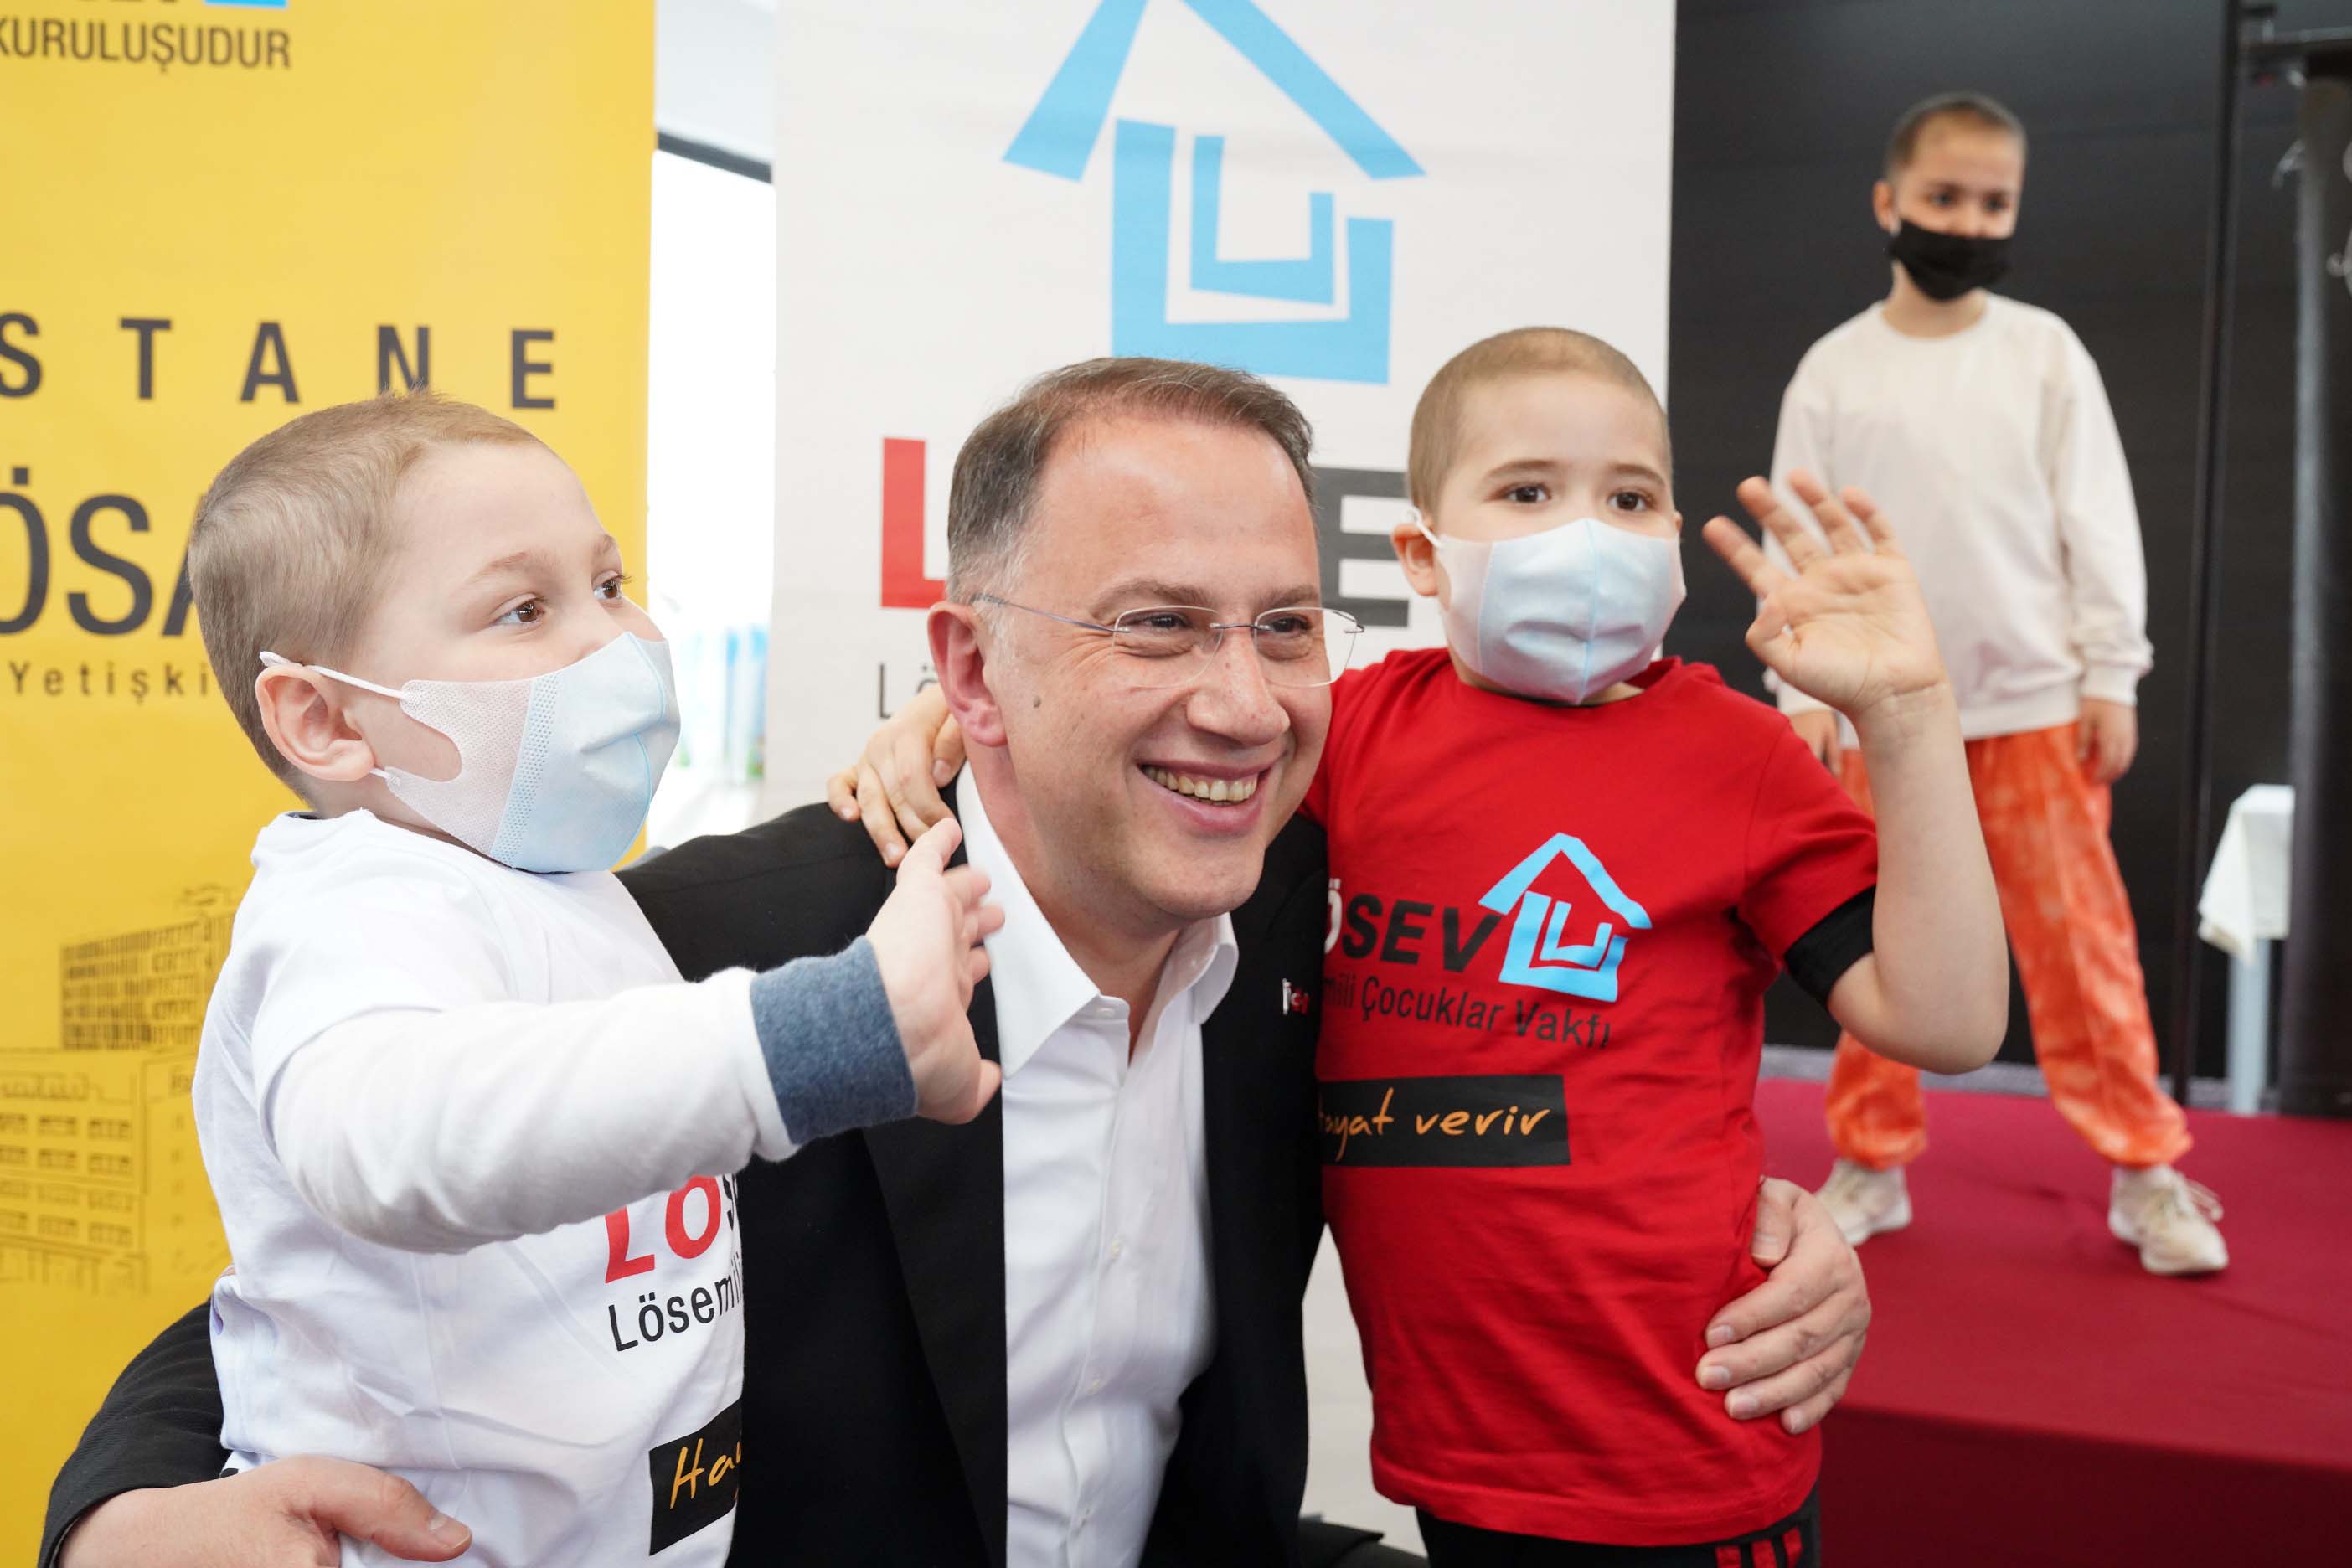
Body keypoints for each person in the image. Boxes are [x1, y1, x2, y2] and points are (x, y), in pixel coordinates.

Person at [46, 358, 1872, 1568]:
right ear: (973, 674)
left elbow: (1544, 1104)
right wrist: (119, 1514)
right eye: (1156, 626)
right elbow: (350, 1260)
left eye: (1285, 627)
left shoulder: (1318, 924)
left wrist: (1778, 1245)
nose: (1245, 704)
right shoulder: (735, 950)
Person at [835, 331, 2000, 1565]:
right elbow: (1147, 729)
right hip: (1459, 1465)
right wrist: (945, 713)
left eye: (1629, 499)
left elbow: (1946, 1019)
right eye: (1528, 491)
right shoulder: (1358, 730)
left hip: (1689, 1447)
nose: (1585, 531)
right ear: (1421, 554)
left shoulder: (1742, 760)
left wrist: (1909, 717)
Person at [122, 391, 1001, 1567]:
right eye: (523, 609)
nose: (614, 643)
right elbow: (391, 1136)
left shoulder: (556, 883)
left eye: (610, 583)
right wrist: (831, 1031)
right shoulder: (359, 900)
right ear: (325, 720)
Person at [1767, 90, 2227, 1276]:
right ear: (1890, 203)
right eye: (1944, 197)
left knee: (2084, 950)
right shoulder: (1835, 369)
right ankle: (1870, 1160)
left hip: (2035, 709)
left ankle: (2146, 1170)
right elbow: (1798, 537)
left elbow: (2099, 521)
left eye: (1992, 202)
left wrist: (2112, 673)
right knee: (1878, 940)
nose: (1966, 221)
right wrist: (1802, 692)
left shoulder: (2044, 353)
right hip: (1880, 719)